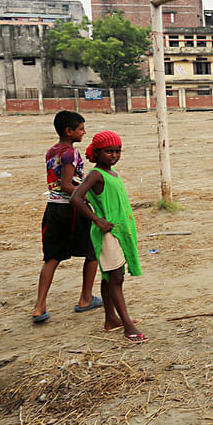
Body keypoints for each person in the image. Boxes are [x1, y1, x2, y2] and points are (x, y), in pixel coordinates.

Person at [71, 131, 145, 343]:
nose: (113, 155)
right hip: (107, 232)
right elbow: (76, 198)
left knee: (110, 275)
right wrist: (97, 219)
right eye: (109, 151)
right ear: (97, 152)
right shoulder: (96, 175)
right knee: (116, 279)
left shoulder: (111, 173)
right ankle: (128, 326)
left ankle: (111, 318)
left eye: (117, 151)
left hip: (118, 231)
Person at [32, 111, 101, 323]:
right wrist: (89, 198)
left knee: (52, 257)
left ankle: (39, 306)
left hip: (53, 209)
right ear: (68, 131)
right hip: (72, 209)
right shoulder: (71, 153)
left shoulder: (51, 151)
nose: (84, 132)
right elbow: (67, 185)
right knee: (92, 252)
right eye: (80, 129)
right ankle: (86, 298)